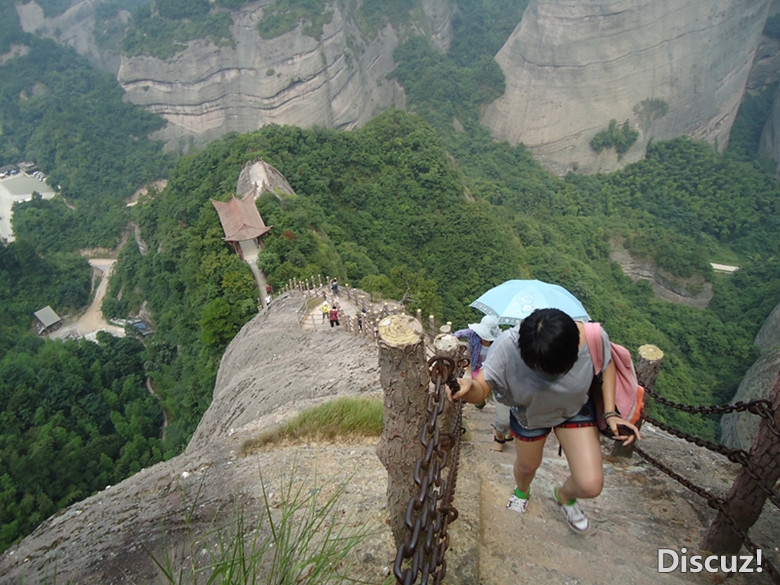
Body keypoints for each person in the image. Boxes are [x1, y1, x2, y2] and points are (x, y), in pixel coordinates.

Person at [448, 308, 640, 533]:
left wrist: (610, 413)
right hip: (531, 414)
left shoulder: (593, 338)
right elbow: (481, 389)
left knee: (590, 485)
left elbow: (606, 364)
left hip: (574, 409)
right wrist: (469, 388)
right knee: (527, 467)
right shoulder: (507, 346)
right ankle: (522, 490)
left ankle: (565, 496)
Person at [453, 315, 510, 451]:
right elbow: (459, 333)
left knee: (497, 398)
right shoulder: (473, 335)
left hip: (494, 369)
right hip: (478, 367)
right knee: (479, 392)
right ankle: (481, 403)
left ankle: (493, 405)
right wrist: (451, 337)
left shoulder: (501, 341)